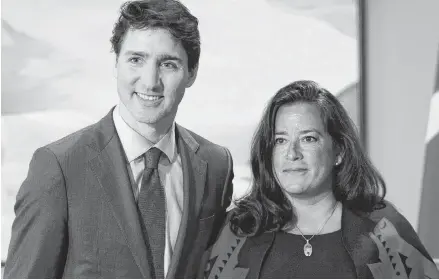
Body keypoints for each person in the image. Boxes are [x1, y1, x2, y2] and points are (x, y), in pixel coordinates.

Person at [4, 0, 233, 278]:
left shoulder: (215, 165)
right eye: (136, 59)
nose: (150, 81)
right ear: (116, 63)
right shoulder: (58, 167)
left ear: (192, 73)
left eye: (168, 64)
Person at [200, 80, 439, 279]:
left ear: (338, 152)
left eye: (308, 139)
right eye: (280, 140)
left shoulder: (384, 229)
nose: (292, 153)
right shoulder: (238, 230)